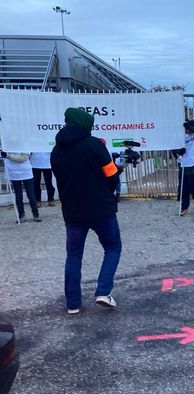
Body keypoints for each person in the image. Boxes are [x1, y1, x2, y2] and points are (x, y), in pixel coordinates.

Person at [50, 107, 121, 314]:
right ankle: (103, 291)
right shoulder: (94, 145)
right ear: (86, 124)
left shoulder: (56, 150)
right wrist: (108, 193)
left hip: (72, 212)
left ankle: (73, 304)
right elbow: (112, 174)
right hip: (101, 209)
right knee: (113, 247)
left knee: (73, 256)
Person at [1, 151, 40, 222]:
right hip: (13, 172)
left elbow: (23, 158)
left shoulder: (24, 144)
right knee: (18, 195)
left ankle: (36, 214)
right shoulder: (6, 144)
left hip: (26, 171)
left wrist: (8, 156)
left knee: (31, 194)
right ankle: (21, 215)